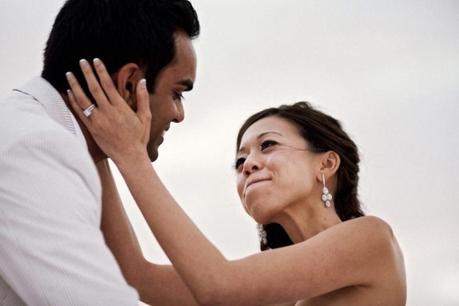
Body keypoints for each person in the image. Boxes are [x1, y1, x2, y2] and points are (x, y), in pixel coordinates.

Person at [66, 60, 407, 305]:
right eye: (239, 160)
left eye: (268, 145)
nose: (248, 165)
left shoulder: (371, 239)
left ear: (327, 163)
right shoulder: (274, 291)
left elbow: (221, 288)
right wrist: (99, 143)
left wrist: (130, 154)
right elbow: (137, 276)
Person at [0, 0, 199, 304]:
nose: (178, 115)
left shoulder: (42, 130)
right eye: (177, 93)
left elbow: (133, 274)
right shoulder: (36, 149)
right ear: (130, 85)